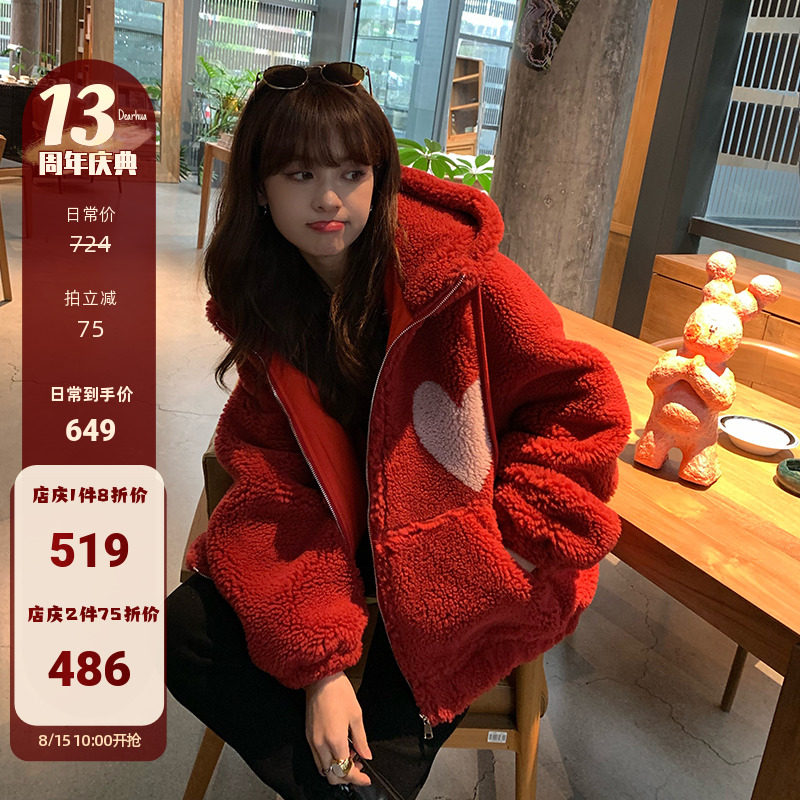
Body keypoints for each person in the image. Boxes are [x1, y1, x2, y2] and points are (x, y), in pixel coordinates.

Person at [166, 62, 630, 800]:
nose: (329, 198)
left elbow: (584, 402)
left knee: (365, 748)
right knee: (179, 629)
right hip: (344, 540)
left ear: (379, 177)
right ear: (258, 187)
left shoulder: (462, 280)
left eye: (352, 172)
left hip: (462, 559)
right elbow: (273, 488)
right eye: (300, 174)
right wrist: (321, 669)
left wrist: (508, 540)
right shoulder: (269, 309)